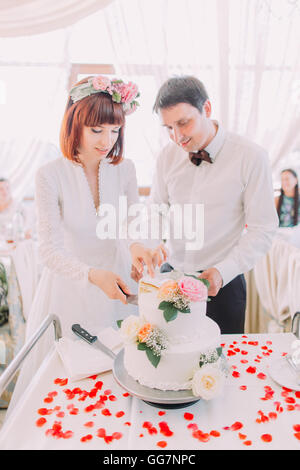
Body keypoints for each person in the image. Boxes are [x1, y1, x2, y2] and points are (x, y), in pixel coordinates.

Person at [7, 75, 163, 414]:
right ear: (74, 123)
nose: (107, 140)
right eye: (97, 130)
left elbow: (132, 222)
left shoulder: (126, 169)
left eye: (114, 130)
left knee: (122, 378)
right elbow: (49, 250)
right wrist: (94, 275)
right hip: (71, 288)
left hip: (120, 284)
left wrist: (139, 246)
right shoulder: (49, 174)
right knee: (70, 387)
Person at [133, 75, 278, 334]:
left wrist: (224, 271)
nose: (177, 137)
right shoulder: (167, 156)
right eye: (168, 128)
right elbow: (156, 208)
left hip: (223, 284)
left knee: (219, 367)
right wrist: (152, 243)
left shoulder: (251, 157)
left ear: (207, 109)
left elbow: (263, 229)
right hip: (171, 278)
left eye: (183, 123)